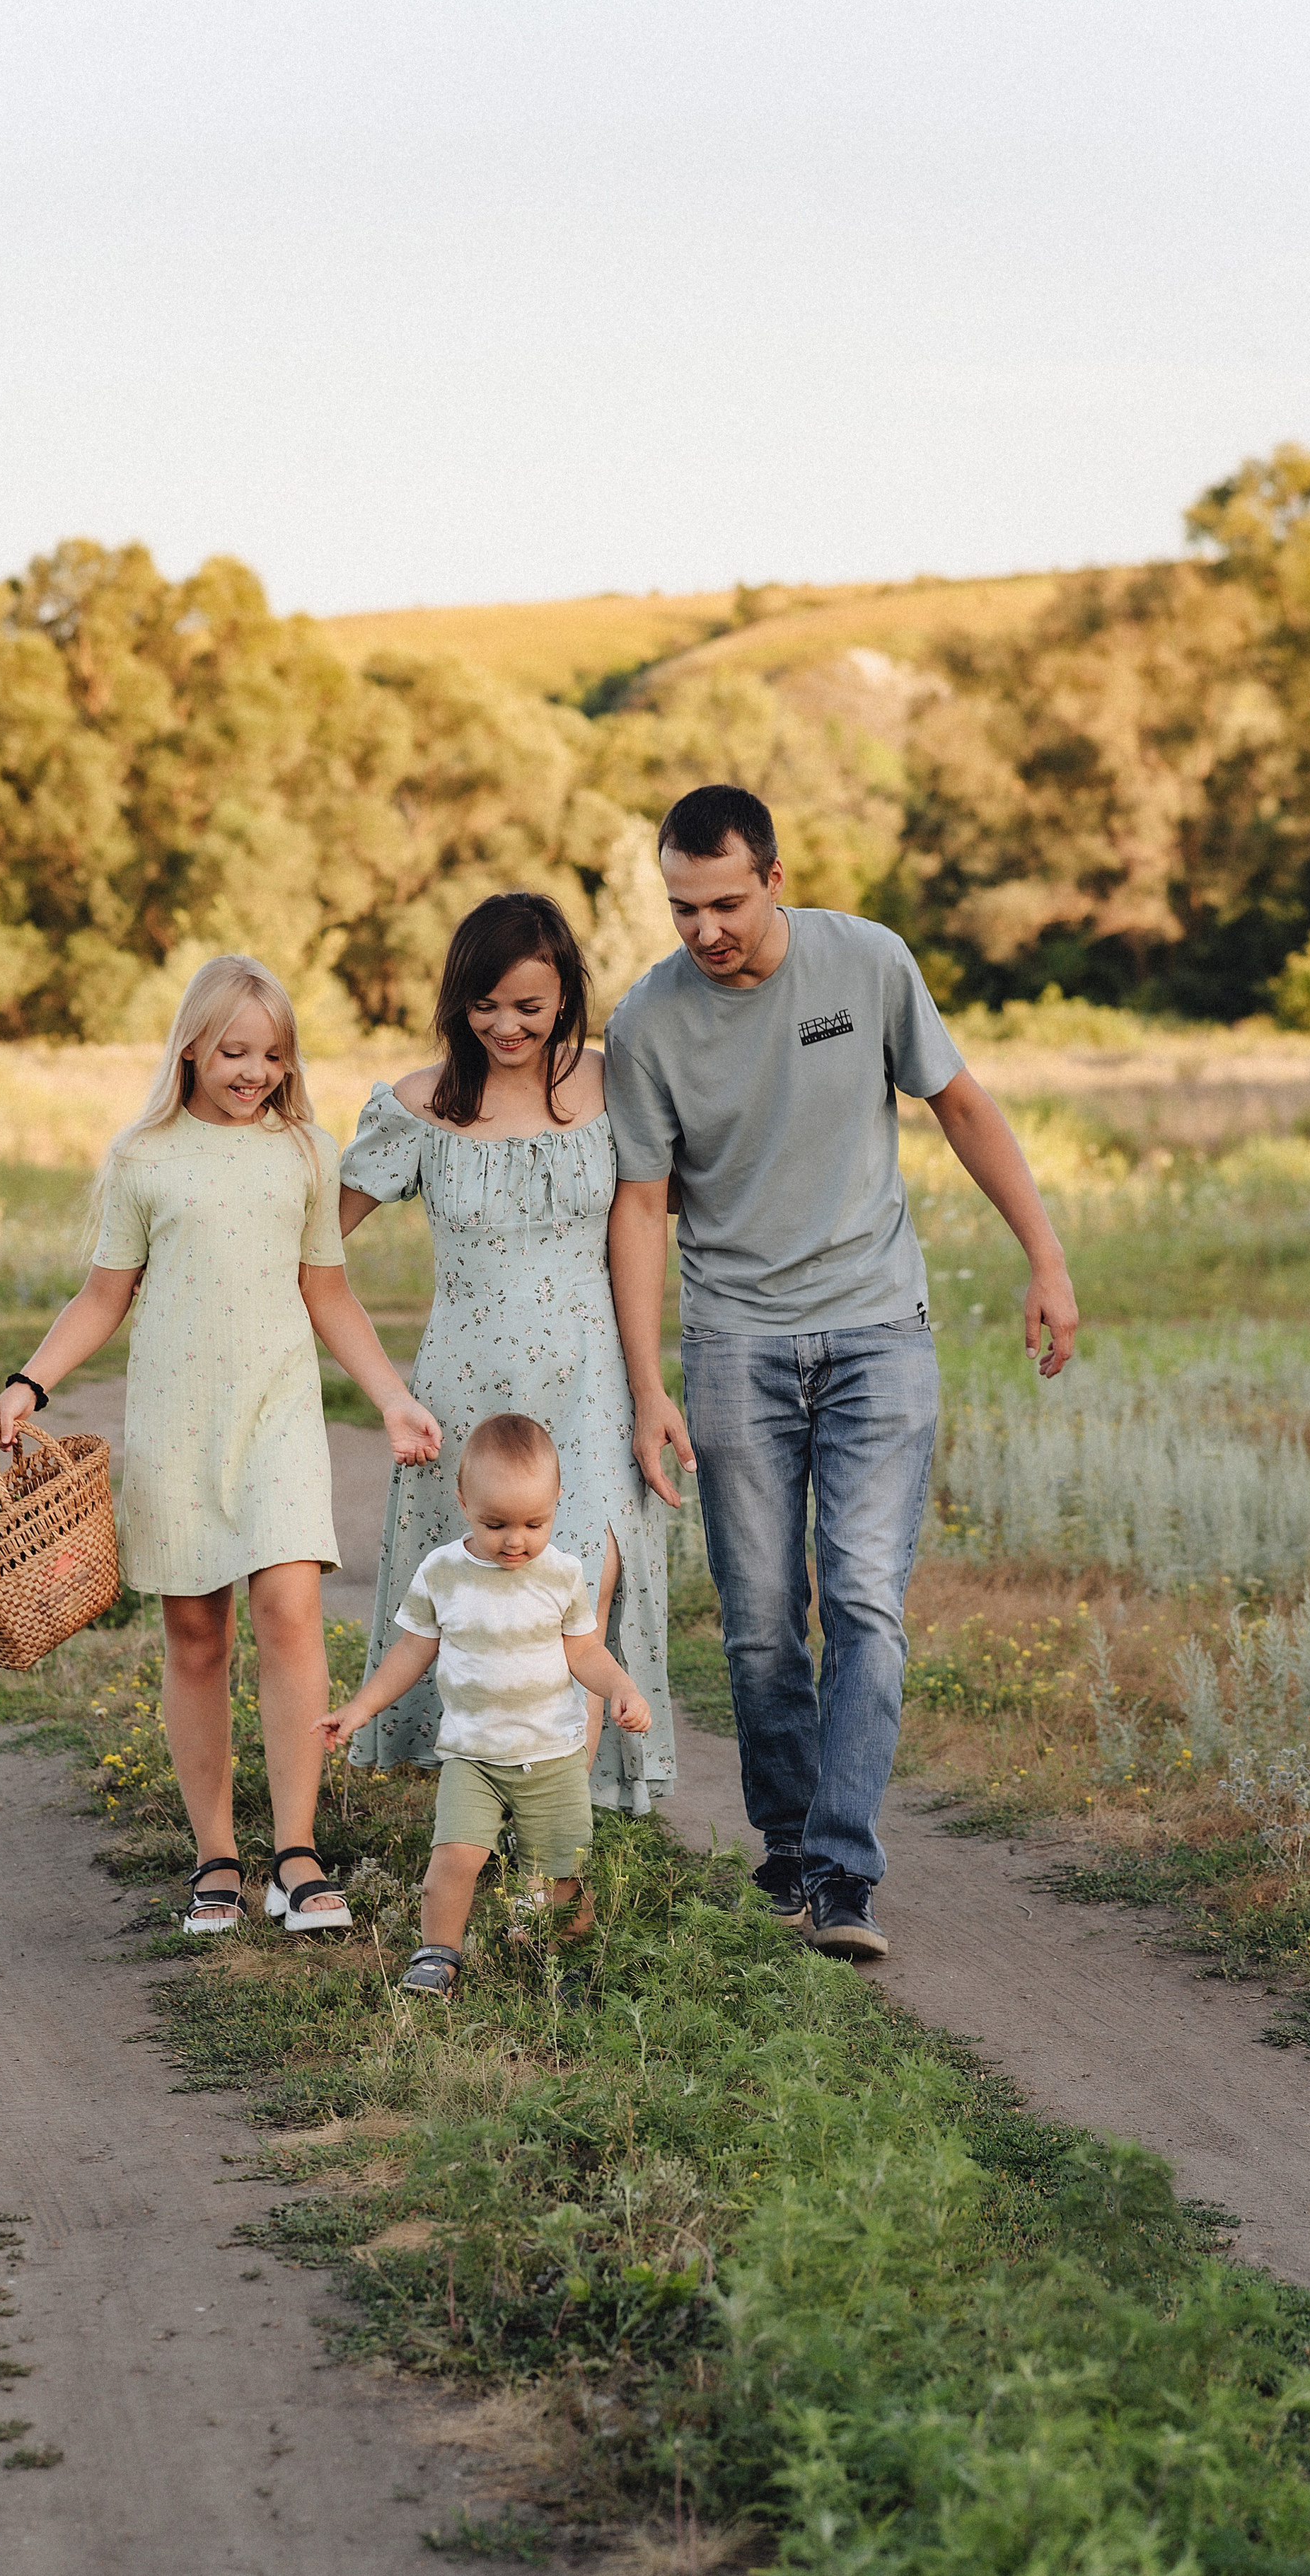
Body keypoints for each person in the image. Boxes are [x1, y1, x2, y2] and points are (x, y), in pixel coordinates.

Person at [604, 785, 1077, 1962]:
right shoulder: (647, 1021)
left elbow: (961, 1104)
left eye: (726, 901)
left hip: (879, 1332)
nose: (705, 929)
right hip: (737, 1342)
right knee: (762, 1627)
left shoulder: (867, 961)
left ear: (776, 876)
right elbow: (642, 1204)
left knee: (865, 1599)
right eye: (682, 907)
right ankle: (787, 1846)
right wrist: (649, 1384)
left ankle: (844, 1870)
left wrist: (1046, 1258)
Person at [0, 954, 441, 1938]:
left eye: (273, 1054)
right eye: (234, 1051)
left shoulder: (306, 1151)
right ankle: (217, 1857)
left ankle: (296, 1854)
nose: (254, 1071)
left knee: (291, 1613)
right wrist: (29, 1382)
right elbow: (104, 1295)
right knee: (196, 1636)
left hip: (278, 1416)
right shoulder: (144, 1157)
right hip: (175, 1423)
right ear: (191, 1047)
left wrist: (394, 1398)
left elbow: (328, 1292)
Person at [338, 890, 675, 1815]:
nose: (505, 1026)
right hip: (465, 1395)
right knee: (480, 1602)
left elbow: (645, 1221)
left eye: (528, 1006)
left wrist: (652, 1389)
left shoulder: (610, 1084)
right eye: (484, 1005)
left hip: (591, 1385)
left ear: (566, 996)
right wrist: (383, 1386)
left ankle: (562, 1833)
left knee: (579, 1596)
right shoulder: (420, 1105)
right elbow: (315, 1248)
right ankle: (480, 1806)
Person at [315, 1414, 652, 1997]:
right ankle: (438, 1955)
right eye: (495, 1524)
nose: (515, 1541)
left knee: (562, 1872)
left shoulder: (563, 1574)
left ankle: (563, 1963)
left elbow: (584, 1651)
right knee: (453, 1858)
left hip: (552, 1756)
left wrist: (621, 1688)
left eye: (534, 1523)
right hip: (473, 1756)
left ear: (557, 1499)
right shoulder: (443, 1573)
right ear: (463, 1501)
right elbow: (411, 1651)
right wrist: (360, 1707)